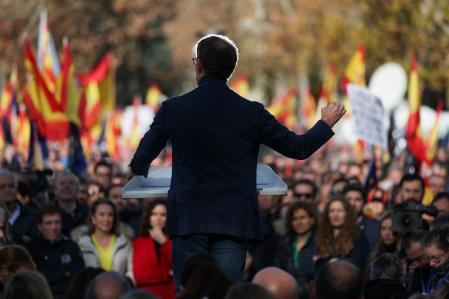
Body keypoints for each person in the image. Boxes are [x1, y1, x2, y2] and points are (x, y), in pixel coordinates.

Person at [129, 34, 345, 286]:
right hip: (233, 223)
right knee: (228, 293)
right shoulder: (251, 112)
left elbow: (140, 161)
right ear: (230, 70)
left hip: (189, 220)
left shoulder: (173, 109)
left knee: (189, 291)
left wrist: (137, 169)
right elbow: (297, 148)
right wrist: (325, 123)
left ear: (198, 64)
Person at [24, 204, 85, 298]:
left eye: (57, 222)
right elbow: (30, 280)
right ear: (39, 226)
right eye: (48, 223)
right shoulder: (30, 249)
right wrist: (64, 274)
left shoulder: (71, 247)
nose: (54, 228)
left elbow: (78, 278)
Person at [127, 199, 174, 299]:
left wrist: (164, 242)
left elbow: (178, 266)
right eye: (154, 214)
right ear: (148, 217)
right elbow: (140, 276)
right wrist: (167, 274)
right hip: (147, 295)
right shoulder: (139, 242)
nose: (158, 218)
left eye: (162, 215)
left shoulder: (172, 241)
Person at [275, 201, 317, 298]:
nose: (299, 222)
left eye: (303, 218)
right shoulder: (283, 244)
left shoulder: (320, 243)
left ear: (312, 220)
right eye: (295, 219)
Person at [77, 199, 132, 274]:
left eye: (110, 215)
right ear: (93, 218)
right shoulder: (81, 244)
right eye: (102, 215)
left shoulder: (125, 243)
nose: (106, 219)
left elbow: (130, 272)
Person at [315, 197, 370, 270]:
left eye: (340, 211)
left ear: (347, 213)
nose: (335, 214)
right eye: (332, 211)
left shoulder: (357, 235)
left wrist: (334, 262)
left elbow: (358, 262)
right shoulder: (321, 235)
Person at [0, 168, 36, 243]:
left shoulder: (32, 215)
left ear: (16, 189)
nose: (7, 190)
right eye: (2, 187)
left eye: (11, 186)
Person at [343, 183, 379, 249]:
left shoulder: (373, 225)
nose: (352, 204)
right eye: (349, 199)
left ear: (364, 203)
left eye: (357, 199)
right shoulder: (335, 223)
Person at [53, 171, 89, 236]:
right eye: (62, 183)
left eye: (71, 183)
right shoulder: (46, 213)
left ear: (78, 189)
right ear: (55, 190)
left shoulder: (88, 213)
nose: (66, 187)